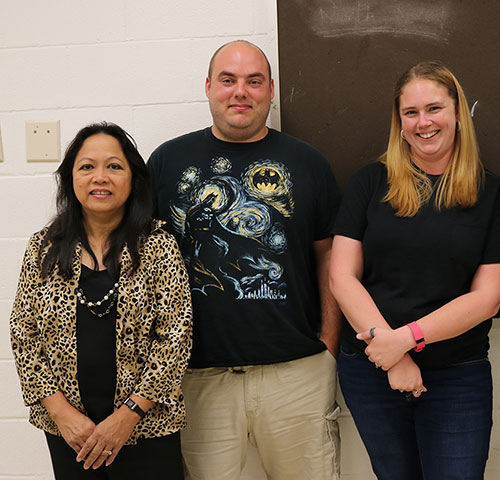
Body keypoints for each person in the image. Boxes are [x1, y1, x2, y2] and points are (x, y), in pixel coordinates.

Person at [147, 40, 341, 480]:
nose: (241, 92)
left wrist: (329, 344)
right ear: (208, 87)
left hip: (297, 371)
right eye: (228, 80)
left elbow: (329, 256)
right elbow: (144, 263)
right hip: (198, 377)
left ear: (271, 90)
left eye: (254, 81)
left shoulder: (308, 163)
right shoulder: (166, 162)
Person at [329, 60, 500, 480]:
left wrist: (405, 341)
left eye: (434, 108)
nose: (423, 122)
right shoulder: (370, 183)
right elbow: (342, 277)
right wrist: (391, 355)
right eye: (411, 113)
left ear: (457, 113)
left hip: (457, 373)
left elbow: (486, 298)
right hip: (371, 367)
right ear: (399, 123)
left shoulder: (493, 194)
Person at [9, 122, 193, 479]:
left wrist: (127, 417)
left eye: (114, 166)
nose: (100, 177)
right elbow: (23, 335)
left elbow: (175, 337)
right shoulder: (42, 247)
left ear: (132, 178)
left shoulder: (158, 245)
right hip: (70, 433)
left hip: (147, 428)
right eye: (87, 166)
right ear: (71, 178)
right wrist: (63, 414)